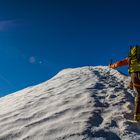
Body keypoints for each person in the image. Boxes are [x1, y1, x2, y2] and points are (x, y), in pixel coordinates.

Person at [109, 46, 140, 122]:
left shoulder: (130, 58)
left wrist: (111, 66)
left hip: (134, 76)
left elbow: (119, 63)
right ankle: (137, 115)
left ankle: (130, 88)